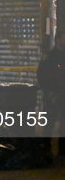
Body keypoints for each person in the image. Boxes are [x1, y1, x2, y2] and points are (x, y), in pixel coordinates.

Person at [37, 29, 65, 157]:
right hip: (52, 95)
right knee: (49, 124)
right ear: (58, 40)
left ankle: (61, 153)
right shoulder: (49, 57)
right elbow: (41, 76)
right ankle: (45, 152)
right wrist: (49, 92)